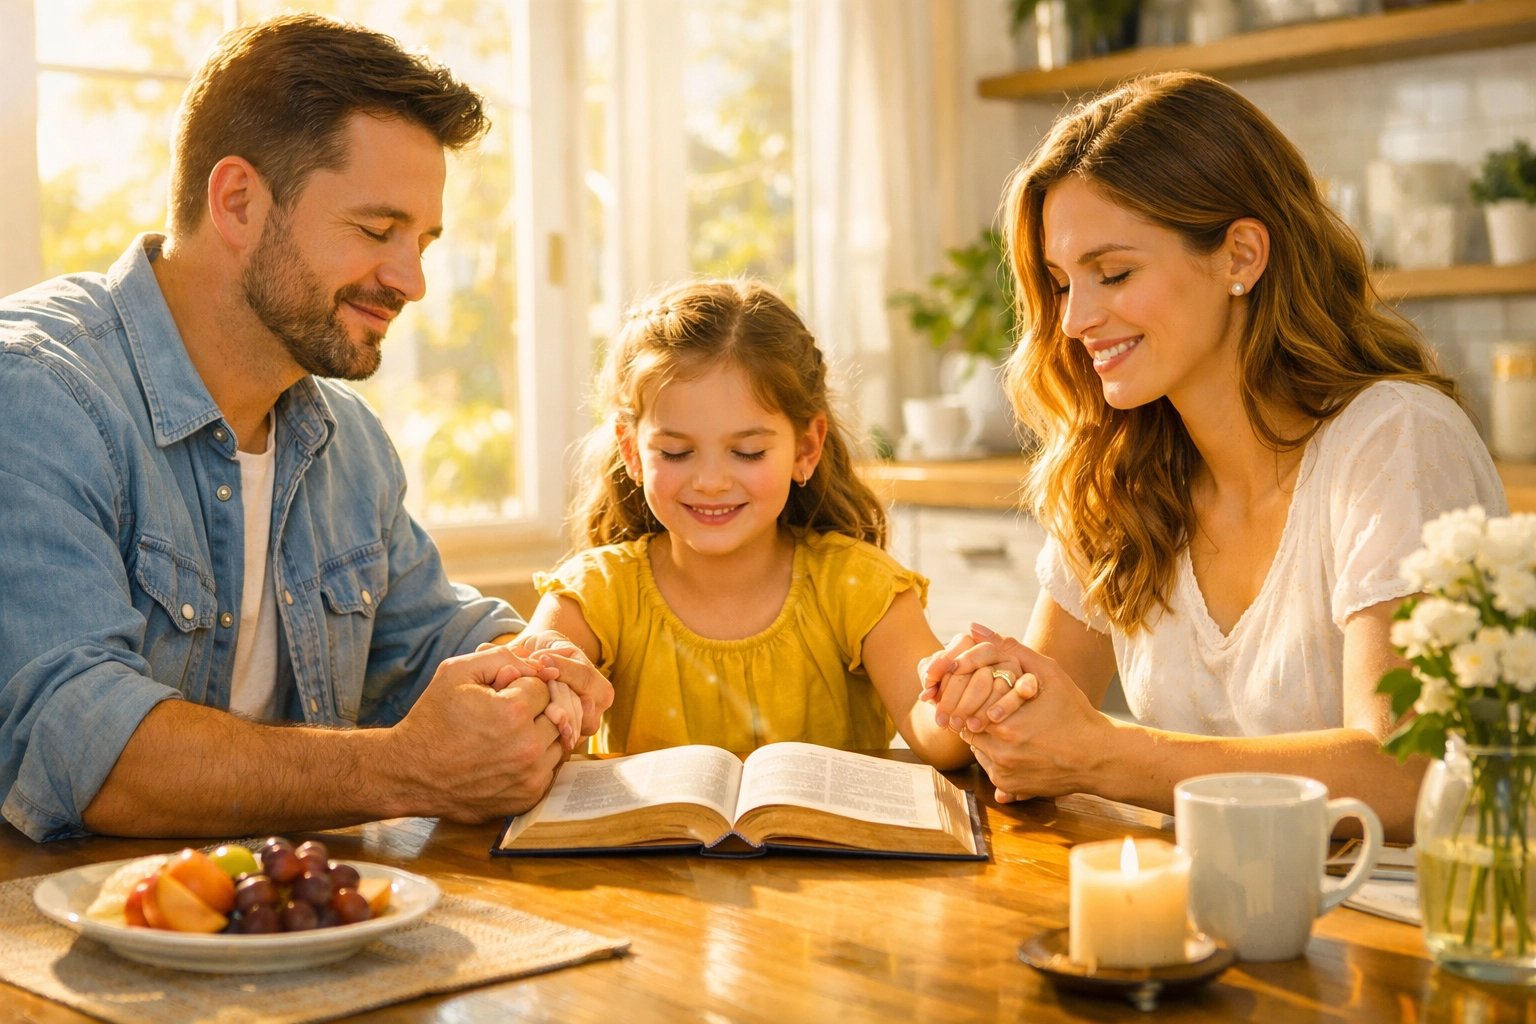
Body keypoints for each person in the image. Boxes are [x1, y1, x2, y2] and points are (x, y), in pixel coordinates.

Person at [0, 14, 611, 842]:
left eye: (424, 240)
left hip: (292, 925)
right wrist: (405, 767)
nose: (412, 281)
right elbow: (83, 747)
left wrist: (535, 665)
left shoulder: (345, 440)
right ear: (240, 201)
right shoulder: (37, 393)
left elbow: (428, 638)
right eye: (376, 229)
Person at [919, 72, 1506, 841]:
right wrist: (991, 695)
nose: (1075, 320)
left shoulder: (1396, 440)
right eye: (1062, 284)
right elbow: (1040, 714)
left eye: (1114, 273)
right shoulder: (1121, 470)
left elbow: (1404, 776)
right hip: (1211, 913)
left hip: (1400, 930)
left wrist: (1104, 754)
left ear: (1241, 255)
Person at [518, 280, 974, 768]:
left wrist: (968, 696)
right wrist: (536, 694)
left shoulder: (862, 587)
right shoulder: (592, 596)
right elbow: (522, 711)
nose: (711, 481)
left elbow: (941, 741)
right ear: (631, 451)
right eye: (676, 452)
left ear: (805, 449)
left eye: (747, 451)